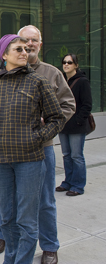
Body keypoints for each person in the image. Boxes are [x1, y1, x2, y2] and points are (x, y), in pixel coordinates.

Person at [0, 26, 76, 264]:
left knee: (43, 200)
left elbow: (67, 107)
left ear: (40, 43)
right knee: (6, 201)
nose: (28, 46)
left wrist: (42, 127)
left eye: (33, 41)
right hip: (5, 150)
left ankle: (49, 246)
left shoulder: (50, 74)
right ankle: (4, 238)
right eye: (23, 42)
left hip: (41, 147)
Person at [56, 53, 92, 197]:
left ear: (76, 65)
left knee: (76, 156)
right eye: (64, 62)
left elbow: (87, 105)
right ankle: (68, 182)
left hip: (77, 126)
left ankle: (78, 185)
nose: (66, 65)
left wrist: (78, 120)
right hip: (63, 124)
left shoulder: (82, 81)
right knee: (66, 155)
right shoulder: (61, 81)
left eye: (70, 62)